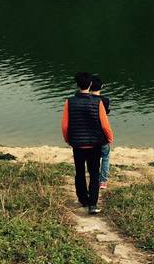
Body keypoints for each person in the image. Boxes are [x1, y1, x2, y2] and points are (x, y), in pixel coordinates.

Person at [62, 72, 113, 215]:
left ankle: (82, 199)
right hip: (94, 144)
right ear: (90, 85)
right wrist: (109, 138)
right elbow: (105, 125)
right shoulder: (98, 102)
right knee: (94, 174)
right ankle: (92, 204)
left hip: (77, 144)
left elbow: (65, 125)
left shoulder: (69, 102)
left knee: (79, 172)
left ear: (77, 85)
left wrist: (68, 139)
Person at [90, 74, 111, 190]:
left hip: (89, 135)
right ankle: (103, 181)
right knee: (106, 157)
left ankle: (94, 178)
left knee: (93, 158)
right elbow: (106, 115)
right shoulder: (105, 100)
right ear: (102, 86)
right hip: (102, 135)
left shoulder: (86, 101)